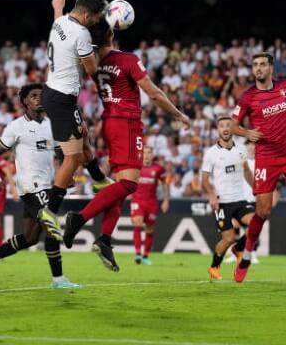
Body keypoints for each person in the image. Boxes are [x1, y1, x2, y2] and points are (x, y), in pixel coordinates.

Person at [62, 18, 191, 272]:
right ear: (111, 34)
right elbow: (153, 93)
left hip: (109, 122)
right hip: (127, 123)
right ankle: (79, 218)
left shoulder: (93, 64)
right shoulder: (128, 59)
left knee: (120, 187)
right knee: (130, 184)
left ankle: (105, 239)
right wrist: (178, 114)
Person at [0, 84, 80, 289]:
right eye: (33, 96)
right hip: (29, 185)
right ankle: (58, 280)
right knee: (51, 227)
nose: (38, 99)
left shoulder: (52, 125)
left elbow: (60, 152)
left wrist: (66, 174)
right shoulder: (16, 127)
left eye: (41, 96)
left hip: (47, 185)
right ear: (25, 101)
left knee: (30, 238)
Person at [231, 53, 286, 283]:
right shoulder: (248, 97)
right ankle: (246, 254)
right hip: (266, 158)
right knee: (263, 212)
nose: (258, 68)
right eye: (255, 65)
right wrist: (247, 133)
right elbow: (232, 125)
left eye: (262, 65)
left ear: (271, 68)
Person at [37, 0, 111, 240]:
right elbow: (92, 69)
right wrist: (101, 51)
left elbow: (58, 15)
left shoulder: (60, 21)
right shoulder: (81, 34)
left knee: (84, 139)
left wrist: (57, 5)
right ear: (87, 14)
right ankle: (50, 210)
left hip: (55, 93)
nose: (97, 21)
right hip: (61, 99)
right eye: (97, 17)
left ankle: (100, 180)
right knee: (74, 157)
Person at [201, 116, 255, 280]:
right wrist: (211, 196)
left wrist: (257, 189)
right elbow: (204, 180)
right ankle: (214, 266)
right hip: (222, 202)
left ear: (232, 129)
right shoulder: (211, 153)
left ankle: (239, 248)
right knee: (228, 238)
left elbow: (246, 171)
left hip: (240, 200)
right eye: (222, 126)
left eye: (228, 125)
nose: (225, 128)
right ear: (217, 130)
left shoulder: (241, 149)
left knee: (255, 223)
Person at [131, 146, 169, 266]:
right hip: (137, 201)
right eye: (144, 152)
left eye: (149, 152)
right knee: (137, 223)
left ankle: (145, 256)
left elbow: (164, 184)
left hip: (151, 202)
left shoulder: (158, 169)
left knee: (149, 229)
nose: (147, 155)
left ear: (152, 154)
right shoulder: (135, 166)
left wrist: (166, 200)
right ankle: (137, 254)